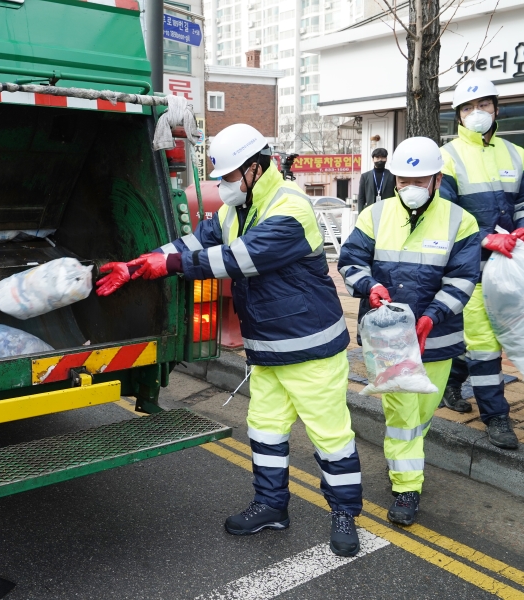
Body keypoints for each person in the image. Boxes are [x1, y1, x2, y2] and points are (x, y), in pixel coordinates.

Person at [95, 123, 364, 557]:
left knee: (330, 437)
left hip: (310, 347)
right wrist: (140, 262)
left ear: (256, 168)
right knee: (265, 432)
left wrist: (171, 266)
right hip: (267, 349)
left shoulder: (289, 208)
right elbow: (194, 241)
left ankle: (345, 514)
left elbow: (236, 259)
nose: (224, 186)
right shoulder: (235, 210)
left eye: (229, 177)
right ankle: (272, 505)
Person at [339, 137, 480, 525]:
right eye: (403, 180)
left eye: (419, 180)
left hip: (437, 336)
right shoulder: (375, 214)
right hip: (390, 338)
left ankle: (405, 463)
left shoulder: (459, 220)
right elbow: (350, 261)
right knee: (402, 416)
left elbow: (463, 280)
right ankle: (406, 488)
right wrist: (370, 286)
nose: (409, 188)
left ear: (437, 179)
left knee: (420, 414)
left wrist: (431, 315)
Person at [437, 78, 524, 450]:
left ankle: (450, 380)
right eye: (468, 108)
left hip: (511, 265)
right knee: (485, 344)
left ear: (496, 109)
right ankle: (496, 416)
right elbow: (446, 212)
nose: (476, 113)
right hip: (472, 269)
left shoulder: (516, 154)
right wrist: (484, 236)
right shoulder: (447, 157)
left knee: (489, 338)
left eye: (483, 105)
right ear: (458, 116)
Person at [357, 148, 396, 213]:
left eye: (383, 157)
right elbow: (361, 198)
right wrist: (360, 215)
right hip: (370, 211)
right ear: (373, 159)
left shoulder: (392, 175)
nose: (380, 160)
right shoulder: (365, 176)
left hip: (388, 212)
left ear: (386, 159)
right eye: (377, 158)